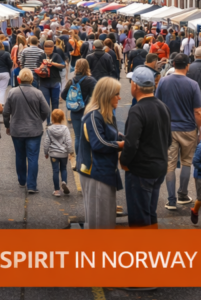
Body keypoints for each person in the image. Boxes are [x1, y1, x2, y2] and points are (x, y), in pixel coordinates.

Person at [120, 66, 172, 228]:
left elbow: (131, 143)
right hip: (159, 168)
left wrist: (124, 161)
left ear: (135, 85)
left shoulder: (137, 110)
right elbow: (168, 139)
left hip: (140, 171)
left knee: (139, 217)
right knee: (150, 212)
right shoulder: (163, 106)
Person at [155, 53, 201, 211]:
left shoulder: (163, 81)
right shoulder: (193, 84)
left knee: (170, 163)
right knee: (186, 162)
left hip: (169, 129)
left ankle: (171, 200)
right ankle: (183, 194)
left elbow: (158, 105)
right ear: (187, 66)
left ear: (173, 64)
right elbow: (198, 111)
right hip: (188, 128)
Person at [76, 77, 123, 229]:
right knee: (100, 221)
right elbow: (99, 143)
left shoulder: (104, 114)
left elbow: (112, 135)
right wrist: (122, 144)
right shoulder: (93, 116)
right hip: (95, 172)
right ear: (106, 95)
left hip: (104, 172)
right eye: (116, 94)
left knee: (105, 218)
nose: (119, 97)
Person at [2, 68, 50, 193]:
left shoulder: (12, 92)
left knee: (20, 155)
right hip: (34, 130)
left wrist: (7, 125)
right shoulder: (38, 93)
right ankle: (32, 185)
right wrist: (40, 120)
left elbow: (6, 112)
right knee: (33, 157)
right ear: (32, 79)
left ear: (19, 79)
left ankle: (22, 180)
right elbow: (46, 110)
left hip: (17, 129)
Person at [44, 109, 74, 197]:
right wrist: (70, 151)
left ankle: (57, 190)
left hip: (53, 154)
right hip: (63, 153)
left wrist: (46, 152)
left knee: (55, 171)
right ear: (62, 118)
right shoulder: (65, 129)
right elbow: (68, 141)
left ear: (52, 118)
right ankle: (64, 182)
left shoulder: (49, 129)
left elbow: (46, 142)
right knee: (64, 168)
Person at [66, 58, 97, 132]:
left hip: (75, 111)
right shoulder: (91, 81)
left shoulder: (72, 80)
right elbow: (96, 96)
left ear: (76, 67)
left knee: (77, 136)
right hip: (88, 111)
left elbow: (64, 95)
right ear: (87, 67)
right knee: (88, 137)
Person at [40, 40, 67, 110]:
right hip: (44, 82)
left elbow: (63, 65)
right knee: (46, 103)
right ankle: (48, 120)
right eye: (46, 48)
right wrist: (43, 64)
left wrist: (52, 63)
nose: (48, 49)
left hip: (55, 81)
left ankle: (55, 120)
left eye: (50, 48)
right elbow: (37, 68)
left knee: (55, 103)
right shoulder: (41, 56)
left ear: (53, 48)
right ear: (44, 47)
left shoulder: (56, 56)